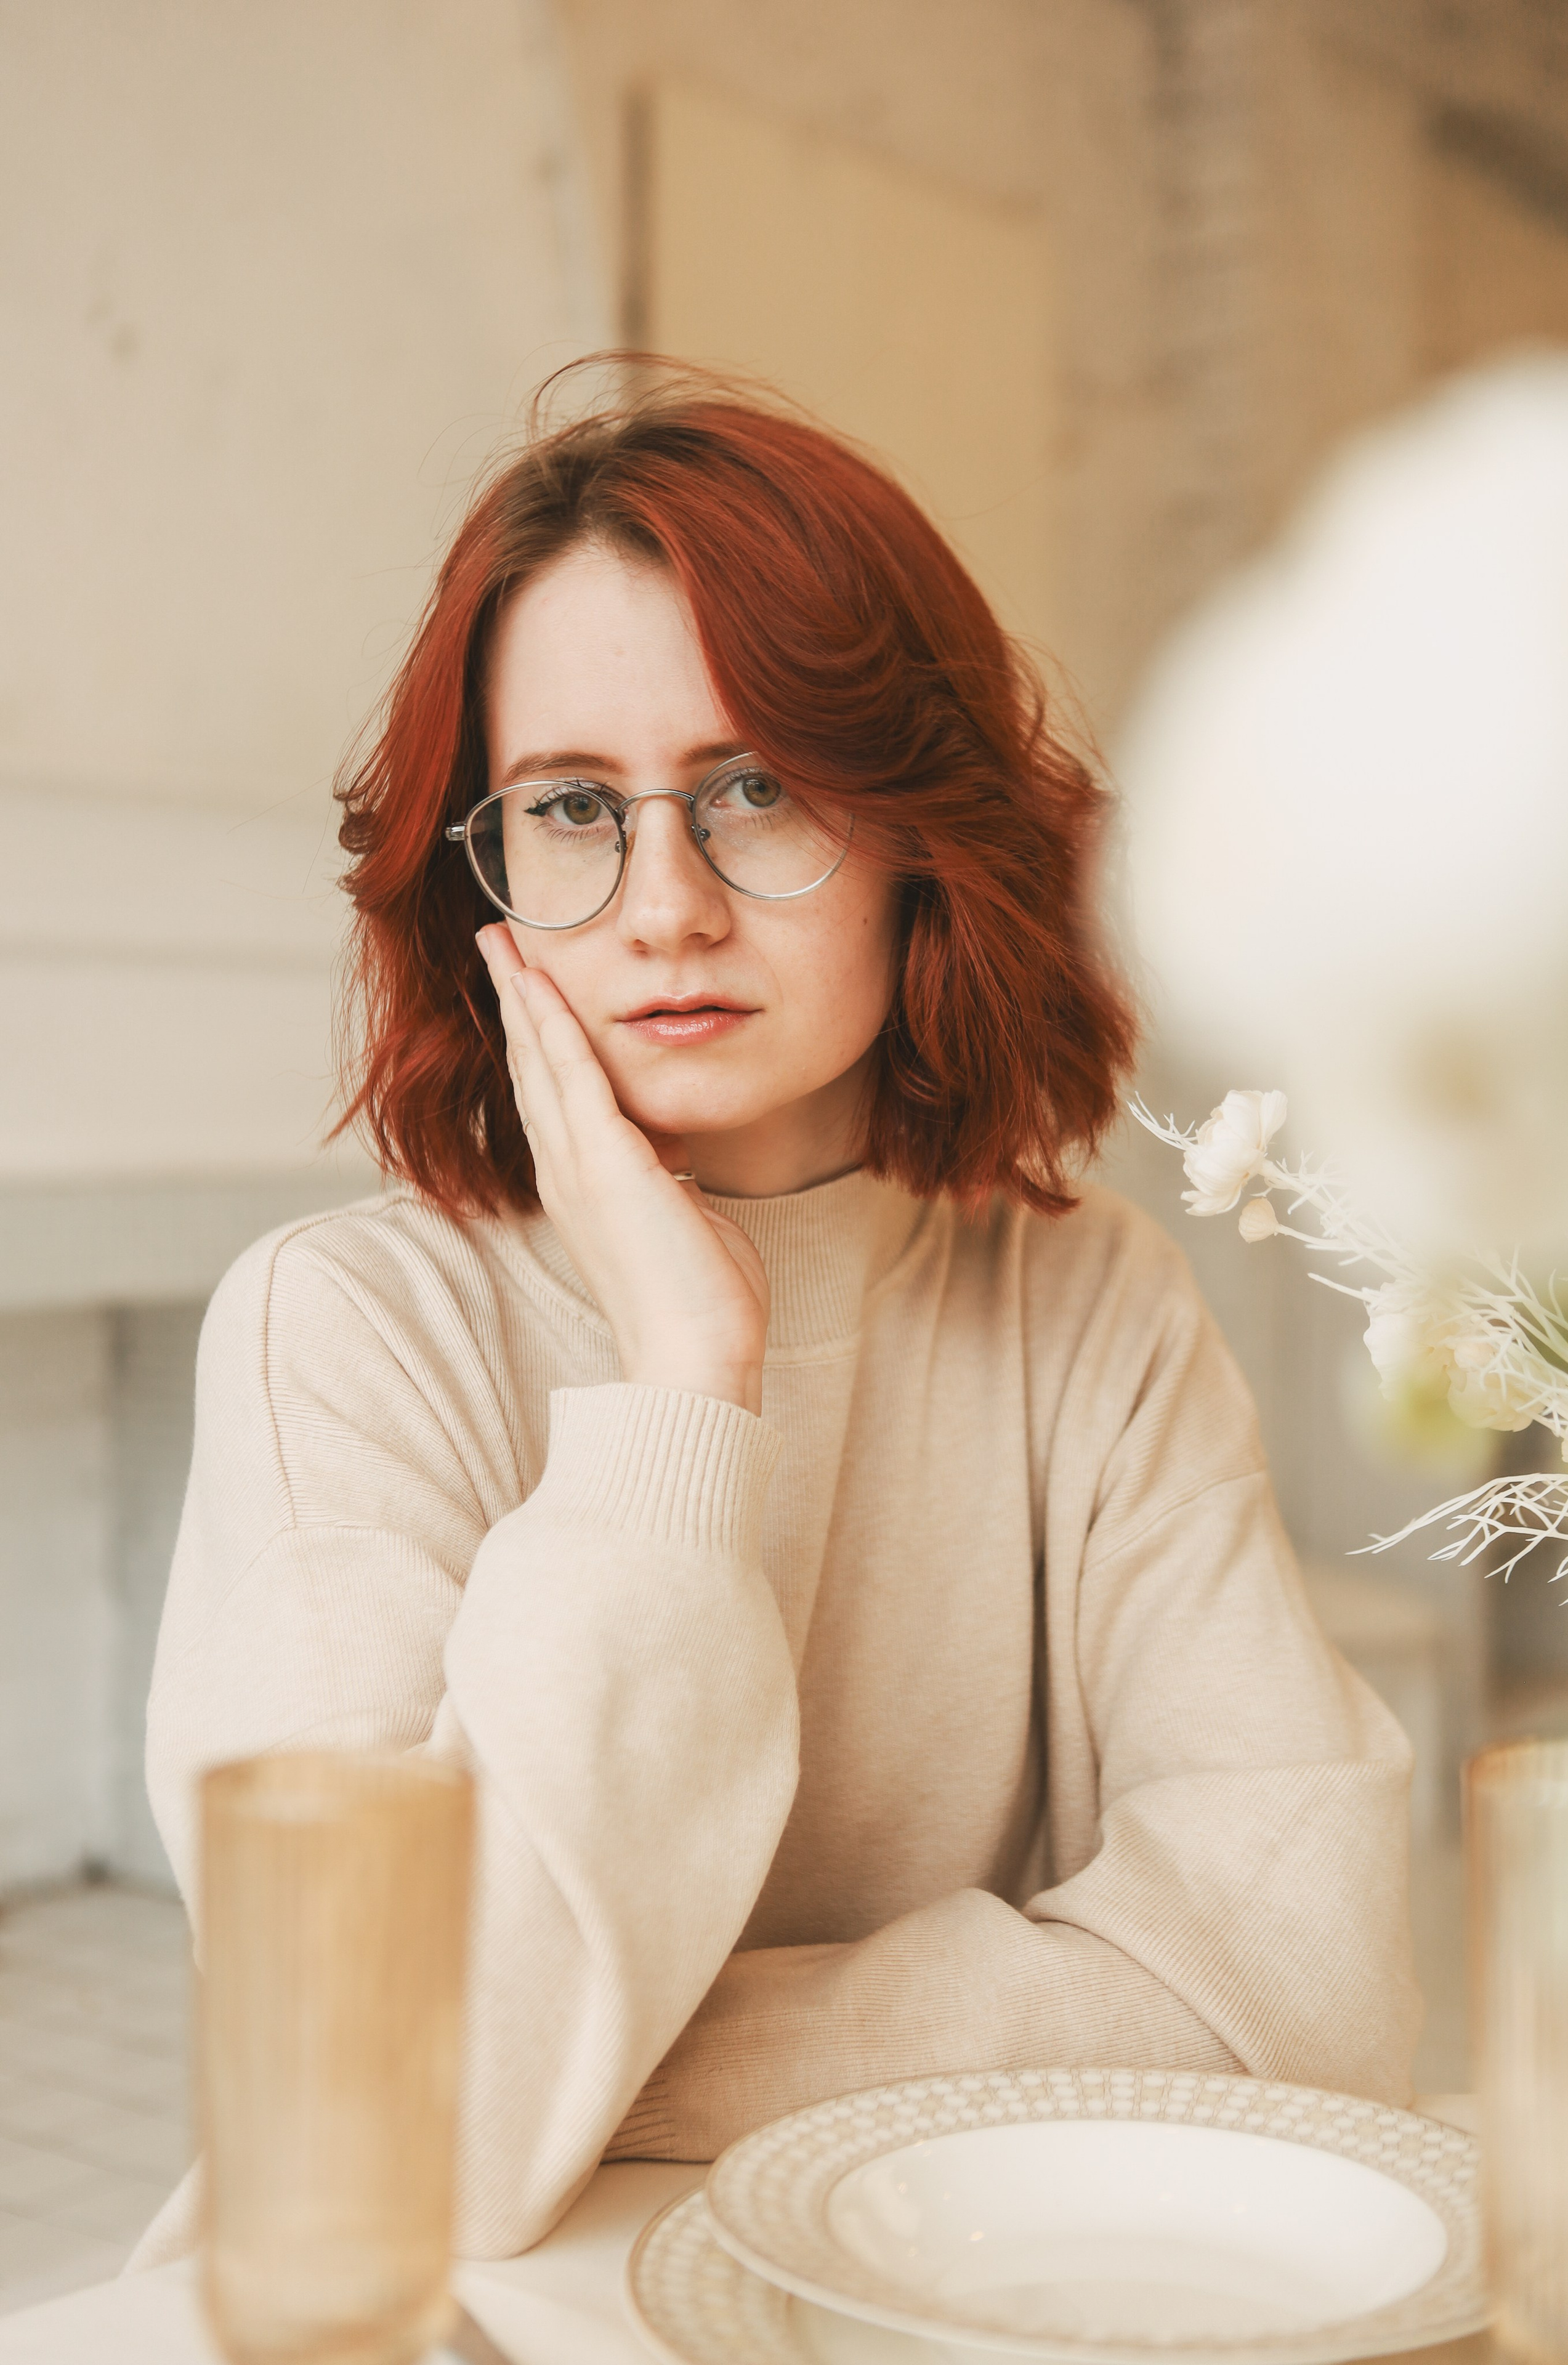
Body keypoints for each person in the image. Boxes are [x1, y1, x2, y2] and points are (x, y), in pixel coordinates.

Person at [135, 367, 1421, 2265]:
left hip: (946, 2295)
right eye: (573, 807)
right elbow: (375, 2127)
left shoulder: (1089, 1305)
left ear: (921, 829)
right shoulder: (340, 1332)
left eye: (753, 786)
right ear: (481, 877)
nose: (665, 903)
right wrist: (683, 1385)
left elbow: (1309, 2001)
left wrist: (608, 2066)